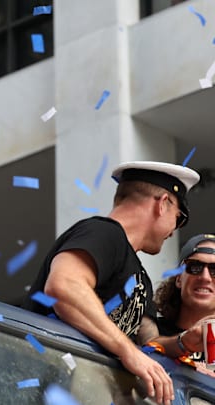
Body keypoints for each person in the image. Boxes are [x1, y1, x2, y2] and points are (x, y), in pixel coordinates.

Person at [23, 161, 200, 405]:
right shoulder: (104, 233)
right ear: (163, 204)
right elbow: (63, 288)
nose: (173, 231)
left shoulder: (140, 278)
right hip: (43, 388)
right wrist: (127, 352)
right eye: (179, 219)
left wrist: (184, 342)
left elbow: (149, 344)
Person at [154, 234, 215, 365]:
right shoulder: (152, 331)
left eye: (214, 270)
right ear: (179, 279)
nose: (205, 277)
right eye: (194, 267)